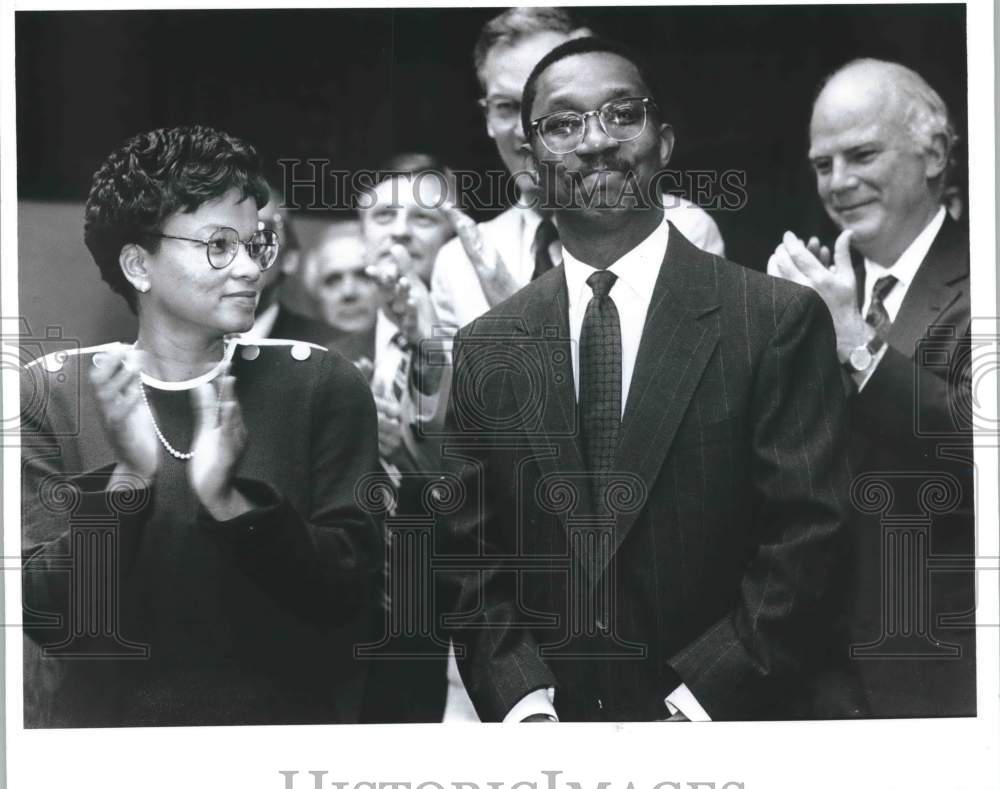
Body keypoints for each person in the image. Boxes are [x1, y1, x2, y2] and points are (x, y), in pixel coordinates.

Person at [439, 37, 859, 722]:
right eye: (563, 124)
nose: (596, 141)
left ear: (663, 143)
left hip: (728, 728)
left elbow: (810, 536)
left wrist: (699, 704)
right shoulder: (488, 346)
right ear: (531, 160)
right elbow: (467, 554)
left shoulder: (772, 319)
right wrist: (523, 703)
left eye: (620, 114)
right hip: (547, 740)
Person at [20, 126, 382, 727]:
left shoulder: (320, 383)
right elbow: (49, 616)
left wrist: (232, 503)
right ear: (138, 264)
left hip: (280, 747)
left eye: (255, 242)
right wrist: (130, 482)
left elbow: (352, 601)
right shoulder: (52, 392)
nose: (248, 267)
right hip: (104, 752)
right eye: (218, 245)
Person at [767, 58, 974, 717]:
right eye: (822, 163)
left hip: (940, 672)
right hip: (811, 673)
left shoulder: (986, 274)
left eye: (860, 154)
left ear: (935, 152)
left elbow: (981, 453)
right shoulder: (817, 281)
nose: (839, 182)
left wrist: (855, 342)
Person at [431, 7, 726, 336]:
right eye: (506, 107)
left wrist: (514, 318)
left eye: (553, 108)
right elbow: (451, 386)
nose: (523, 129)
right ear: (486, 118)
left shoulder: (680, 229)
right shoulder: (457, 264)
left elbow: (657, 377)